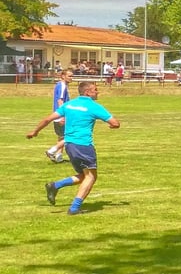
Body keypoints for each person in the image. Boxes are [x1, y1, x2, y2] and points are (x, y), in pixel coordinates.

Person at [26, 81, 120, 215]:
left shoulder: (69, 104)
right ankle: (74, 208)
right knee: (91, 177)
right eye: (95, 89)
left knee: (84, 175)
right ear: (87, 92)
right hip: (83, 145)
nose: (97, 92)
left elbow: (47, 119)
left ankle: (55, 186)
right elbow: (115, 123)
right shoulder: (94, 106)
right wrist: (112, 126)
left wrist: (35, 132)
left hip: (69, 145)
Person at [45, 69, 74, 163]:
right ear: (63, 76)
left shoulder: (60, 85)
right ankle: (51, 151)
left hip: (57, 115)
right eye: (69, 76)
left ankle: (59, 157)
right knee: (70, 136)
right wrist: (63, 116)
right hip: (60, 116)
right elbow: (60, 101)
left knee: (61, 137)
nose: (71, 78)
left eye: (72, 76)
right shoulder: (62, 85)